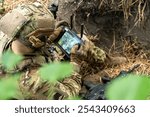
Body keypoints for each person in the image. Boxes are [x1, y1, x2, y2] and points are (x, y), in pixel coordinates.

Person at [0, 1, 126, 99]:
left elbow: (31, 40)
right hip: (42, 89)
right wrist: (75, 64)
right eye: (47, 35)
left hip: (39, 59)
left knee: (79, 40)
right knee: (88, 86)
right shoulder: (32, 82)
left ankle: (107, 60)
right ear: (36, 41)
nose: (50, 34)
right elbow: (68, 96)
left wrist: (50, 38)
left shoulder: (12, 34)